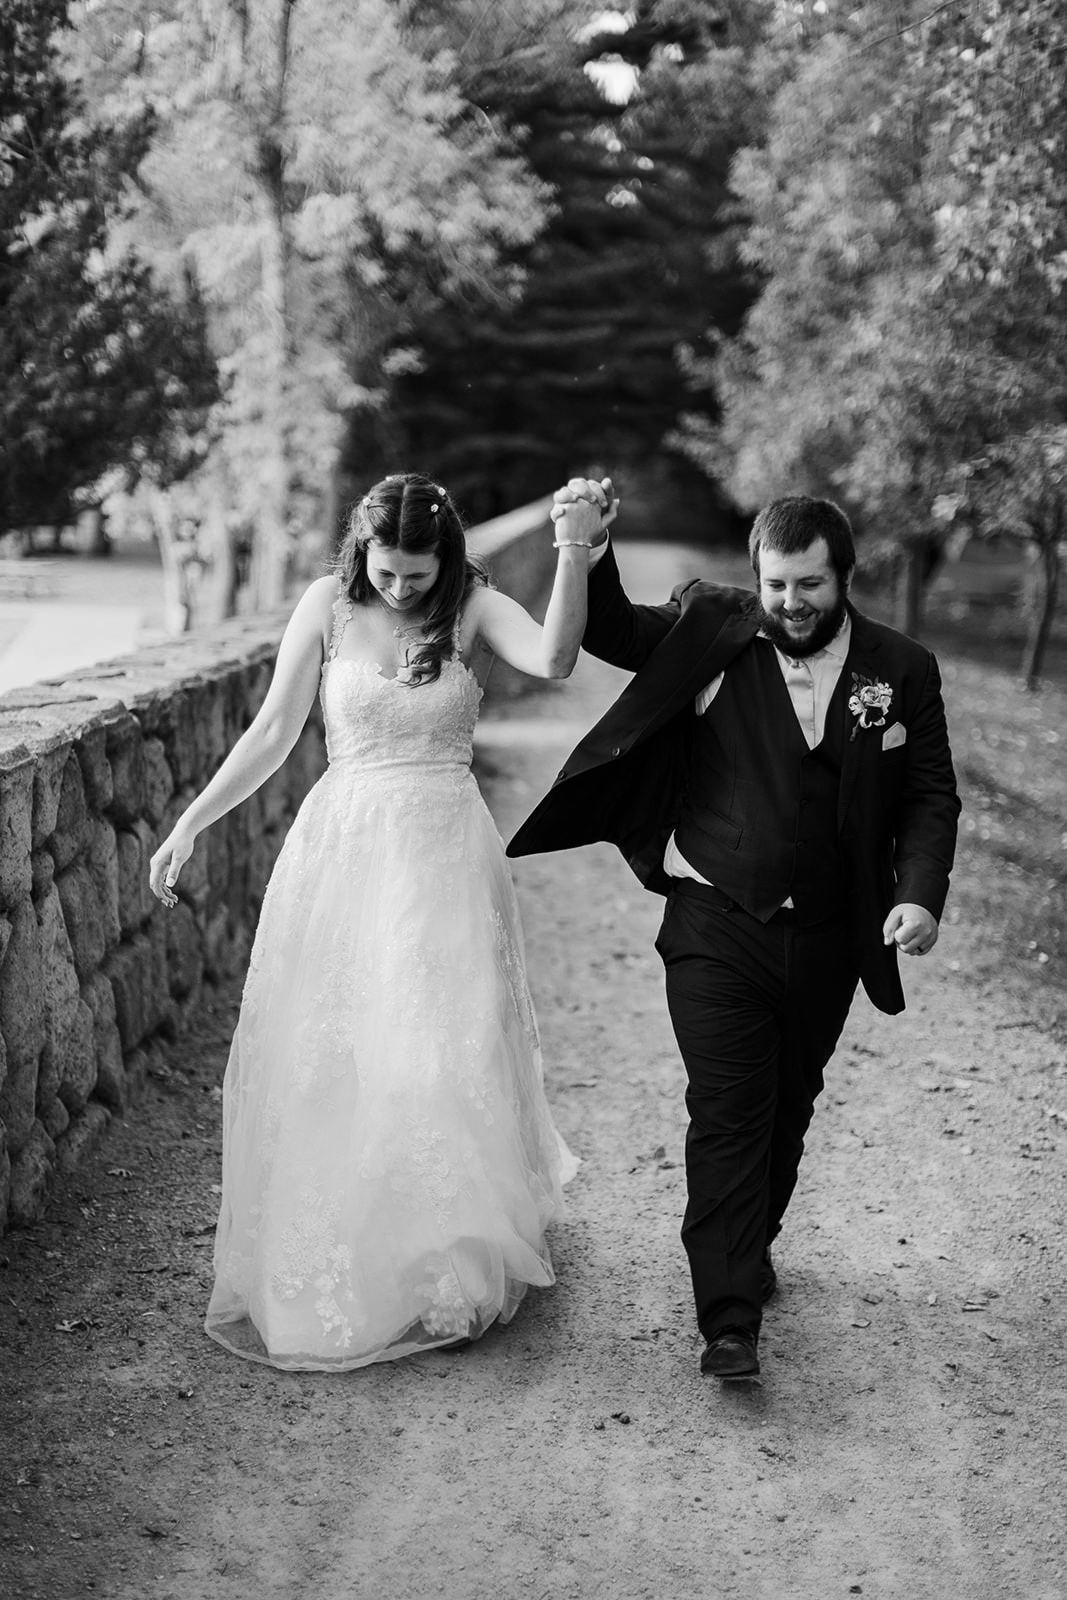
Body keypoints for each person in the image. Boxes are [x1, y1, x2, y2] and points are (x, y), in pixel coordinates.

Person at [148, 471, 612, 1371]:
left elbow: (555, 658)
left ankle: (445, 1264)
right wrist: (190, 823)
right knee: (341, 1047)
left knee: (441, 1047)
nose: (399, 588)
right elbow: (273, 731)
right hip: (344, 849)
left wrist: (571, 545)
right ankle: (350, 1252)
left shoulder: (473, 607)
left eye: (416, 573)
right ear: (360, 553)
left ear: (447, 558)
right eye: (385, 571)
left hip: (445, 853)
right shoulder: (325, 605)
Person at [508, 484, 960, 1382]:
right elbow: (613, 632)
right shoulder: (713, 626)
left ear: (844, 577)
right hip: (715, 919)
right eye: (775, 584)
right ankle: (727, 1322)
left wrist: (918, 895)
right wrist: (588, 545)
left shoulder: (901, 668)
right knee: (727, 1113)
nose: (789, 602)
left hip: (831, 932)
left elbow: (928, 794)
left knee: (788, 1108)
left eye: (809, 585)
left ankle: (748, 1249)